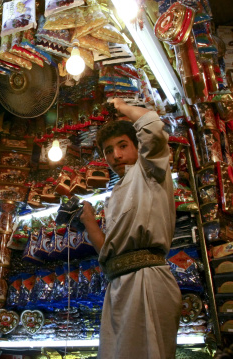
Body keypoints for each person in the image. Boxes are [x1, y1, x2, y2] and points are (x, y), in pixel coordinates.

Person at [80, 98, 181, 359]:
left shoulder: (149, 170)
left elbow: (153, 126)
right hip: (118, 285)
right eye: (108, 151)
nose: (116, 155)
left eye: (123, 146)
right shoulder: (114, 195)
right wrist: (89, 222)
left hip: (147, 280)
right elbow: (108, 254)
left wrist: (122, 107)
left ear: (137, 146)